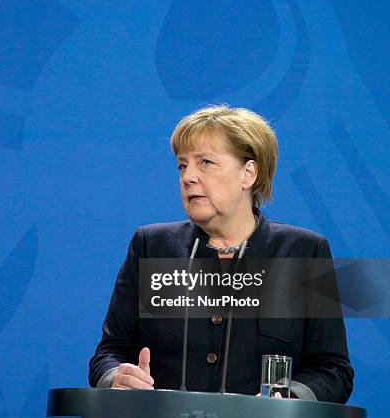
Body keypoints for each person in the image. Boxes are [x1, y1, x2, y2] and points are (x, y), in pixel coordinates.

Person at [89, 105, 353, 402]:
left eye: (205, 163)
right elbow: (109, 353)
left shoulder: (303, 253)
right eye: (182, 165)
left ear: (248, 173)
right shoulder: (151, 247)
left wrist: (289, 398)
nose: (188, 177)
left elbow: (333, 370)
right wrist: (116, 377)